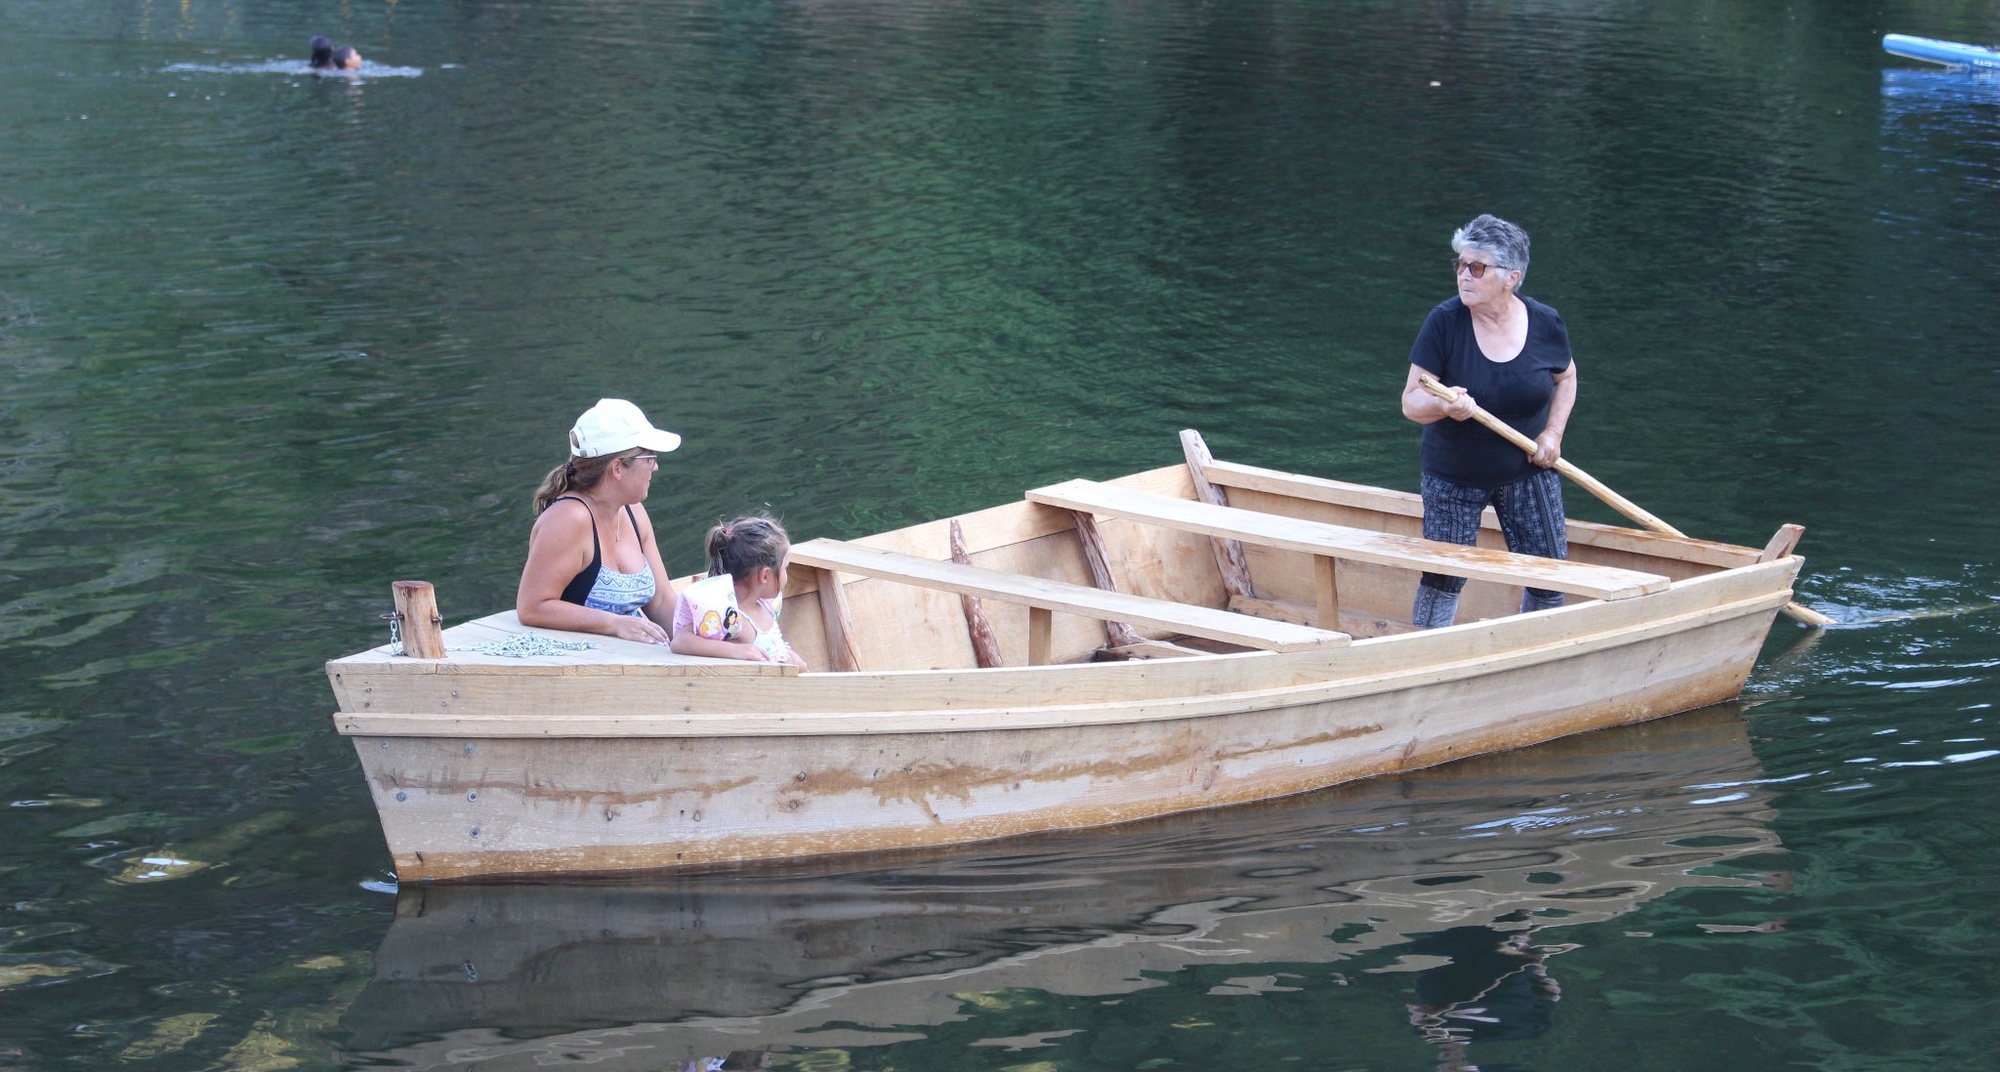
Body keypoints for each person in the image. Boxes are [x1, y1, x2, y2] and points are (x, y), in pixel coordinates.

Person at [1400, 213, 1578, 630]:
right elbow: (1411, 401)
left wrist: (1553, 433)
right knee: (1443, 579)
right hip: (1454, 477)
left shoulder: (1545, 322)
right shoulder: (1444, 322)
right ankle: (1427, 659)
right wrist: (1445, 407)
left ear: (1510, 277)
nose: (1464, 275)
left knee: (1548, 575)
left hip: (1527, 469)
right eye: (1459, 265)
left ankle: (1537, 655)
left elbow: (1566, 376)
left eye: (1476, 268)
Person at [516, 399, 682, 643]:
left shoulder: (634, 511)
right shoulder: (568, 519)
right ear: (617, 468)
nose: (655, 466)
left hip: (633, 661)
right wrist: (614, 624)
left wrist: (709, 641)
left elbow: (662, 601)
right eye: (650, 457)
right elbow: (531, 607)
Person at [670, 516, 806, 668]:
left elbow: (775, 647)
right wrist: (735, 650)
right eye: (785, 568)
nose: (786, 575)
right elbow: (680, 641)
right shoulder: (732, 618)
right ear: (765, 576)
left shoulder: (764, 605)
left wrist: (794, 660)